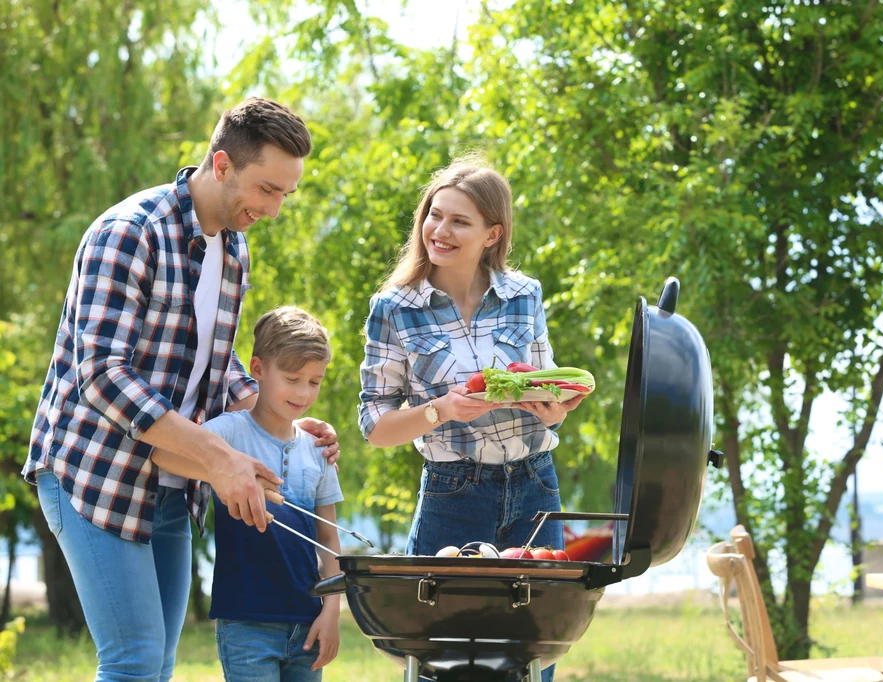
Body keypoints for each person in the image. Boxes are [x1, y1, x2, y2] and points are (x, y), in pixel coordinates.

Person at [23, 97, 340, 682]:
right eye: (266, 190)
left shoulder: (232, 248)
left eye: (285, 195)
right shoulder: (129, 233)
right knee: (134, 660)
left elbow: (214, 370)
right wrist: (221, 458)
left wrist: (279, 414)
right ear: (221, 165)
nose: (273, 210)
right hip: (93, 471)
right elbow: (101, 373)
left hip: (172, 479)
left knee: (159, 663)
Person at [358, 154, 585, 682]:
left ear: (492, 234)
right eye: (434, 215)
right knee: (445, 663)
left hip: (536, 489)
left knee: (534, 656)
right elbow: (375, 424)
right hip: (452, 495)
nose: (440, 230)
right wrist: (442, 410)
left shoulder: (524, 295)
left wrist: (553, 410)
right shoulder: (393, 309)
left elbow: (550, 404)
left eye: (460, 221)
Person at [154, 306, 344, 681]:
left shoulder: (319, 448)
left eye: (314, 381)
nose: (304, 393)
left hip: (308, 624)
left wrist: (332, 610)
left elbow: (329, 539)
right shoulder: (228, 433)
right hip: (247, 626)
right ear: (257, 369)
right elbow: (163, 454)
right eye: (292, 379)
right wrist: (219, 469)